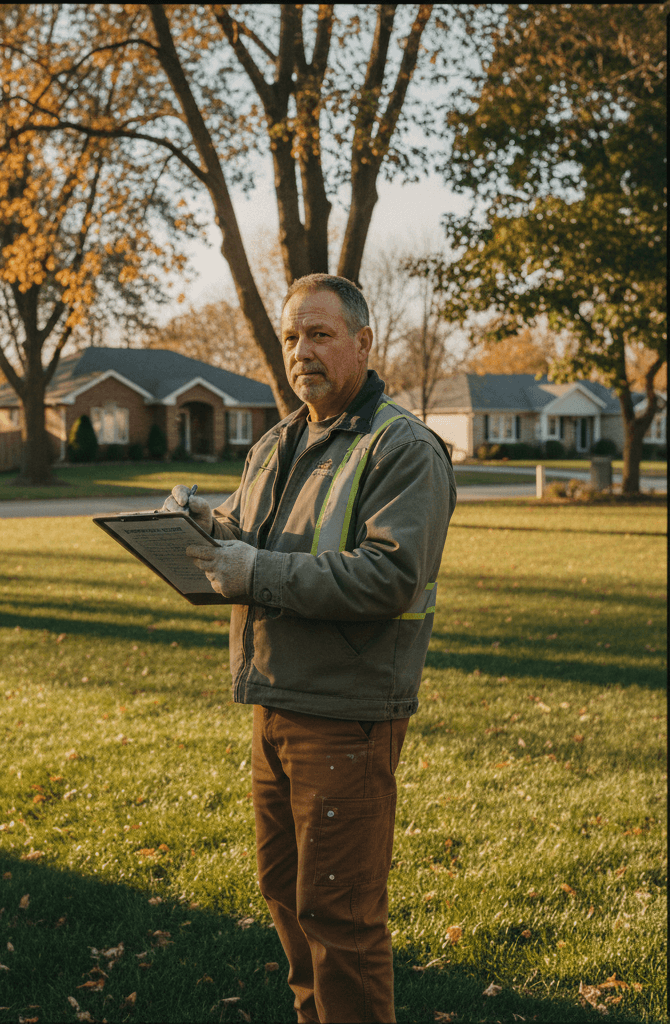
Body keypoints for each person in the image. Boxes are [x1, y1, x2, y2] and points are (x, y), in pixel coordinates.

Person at [162, 274, 456, 1023]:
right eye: (293, 337)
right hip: (272, 703)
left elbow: (388, 576)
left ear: (363, 343)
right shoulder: (277, 441)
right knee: (288, 899)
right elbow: (249, 536)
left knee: (341, 921)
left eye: (320, 335)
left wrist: (255, 569)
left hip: (346, 715)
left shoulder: (404, 447)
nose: (302, 352)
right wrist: (202, 526)